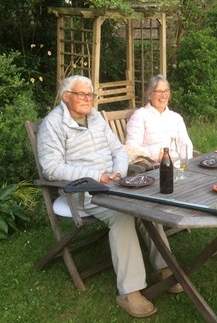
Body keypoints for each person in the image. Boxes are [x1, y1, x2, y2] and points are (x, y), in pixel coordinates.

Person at [36, 75, 181, 318]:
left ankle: (164, 266)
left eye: (90, 95)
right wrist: (96, 175)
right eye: (81, 94)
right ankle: (130, 291)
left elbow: (119, 150)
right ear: (66, 96)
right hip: (83, 189)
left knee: (147, 205)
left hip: (113, 181)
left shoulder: (95, 118)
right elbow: (51, 167)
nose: (87, 99)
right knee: (122, 215)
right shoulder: (53, 124)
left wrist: (117, 172)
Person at [126, 74, 194, 162]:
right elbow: (131, 147)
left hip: (178, 166)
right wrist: (157, 154)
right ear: (149, 95)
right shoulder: (140, 116)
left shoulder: (176, 118)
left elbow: (185, 144)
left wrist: (185, 163)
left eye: (166, 91)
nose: (163, 95)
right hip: (153, 167)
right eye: (159, 91)